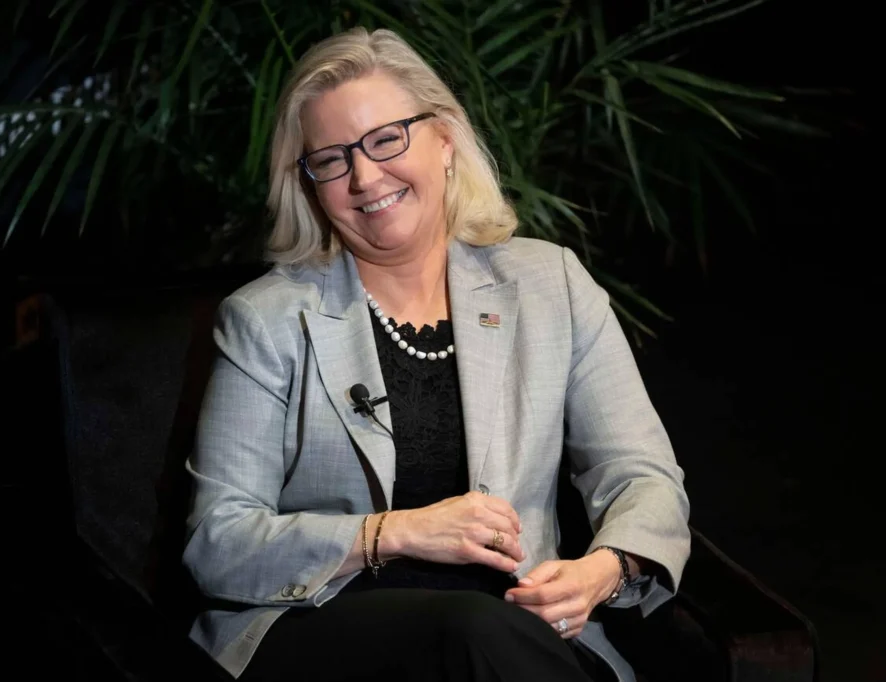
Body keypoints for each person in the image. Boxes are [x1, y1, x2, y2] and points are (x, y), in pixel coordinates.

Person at [182, 26, 691, 682]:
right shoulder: (266, 320)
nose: (365, 177)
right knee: (472, 632)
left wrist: (604, 571)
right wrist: (392, 534)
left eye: (386, 139)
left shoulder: (550, 285)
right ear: (309, 184)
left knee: (492, 635)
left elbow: (642, 474)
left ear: (445, 139)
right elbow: (217, 543)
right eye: (332, 159)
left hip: (518, 630)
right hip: (326, 630)